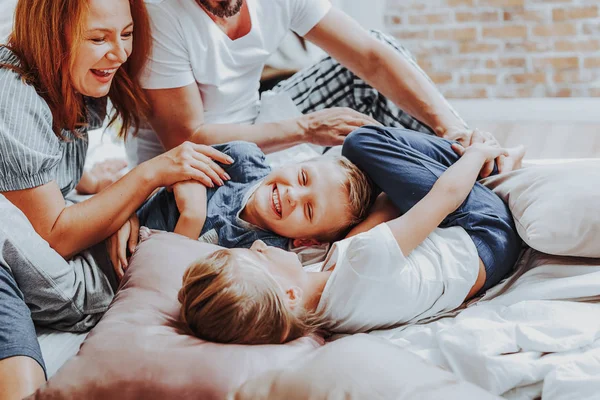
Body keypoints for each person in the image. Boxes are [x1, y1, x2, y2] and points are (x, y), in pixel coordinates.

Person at [0, 0, 232, 398]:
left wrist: (106, 193)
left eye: (126, 34)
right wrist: (147, 175)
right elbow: (54, 237)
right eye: (98, 38)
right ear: (50, 37)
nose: (121, 53)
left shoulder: (64, 80)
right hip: (56, 276)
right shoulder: (14, 96)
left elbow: (33, 174)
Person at [177, 127, 524, 345]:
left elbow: (373, 225)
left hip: (476, 264)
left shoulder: (322, 315)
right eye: (256, 256)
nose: (256, 244)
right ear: (289, 293)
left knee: (371, 190)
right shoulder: (363, 261)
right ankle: (489, 159)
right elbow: (444, 198)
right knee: (362, 143)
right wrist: (478, 153)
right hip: (486, 232)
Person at [127, 0, 513, 180]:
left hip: (257, 123)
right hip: (198, 168)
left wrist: (451, 127)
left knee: (371, 60)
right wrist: (307, 129)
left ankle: (467, 157)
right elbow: (188, 140)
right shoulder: (159, 13)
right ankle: (452, 178)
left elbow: (372, 56)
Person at [136, 141, 373, 250]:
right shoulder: (241, 159)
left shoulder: (259, 252)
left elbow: (168, 279)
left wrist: (193, 216)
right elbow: (163, 173)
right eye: (302, 177)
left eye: (309, 210)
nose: (293, 195)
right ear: (297, 162)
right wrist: (127, 216)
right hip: (120, 216)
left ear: (306, 242)